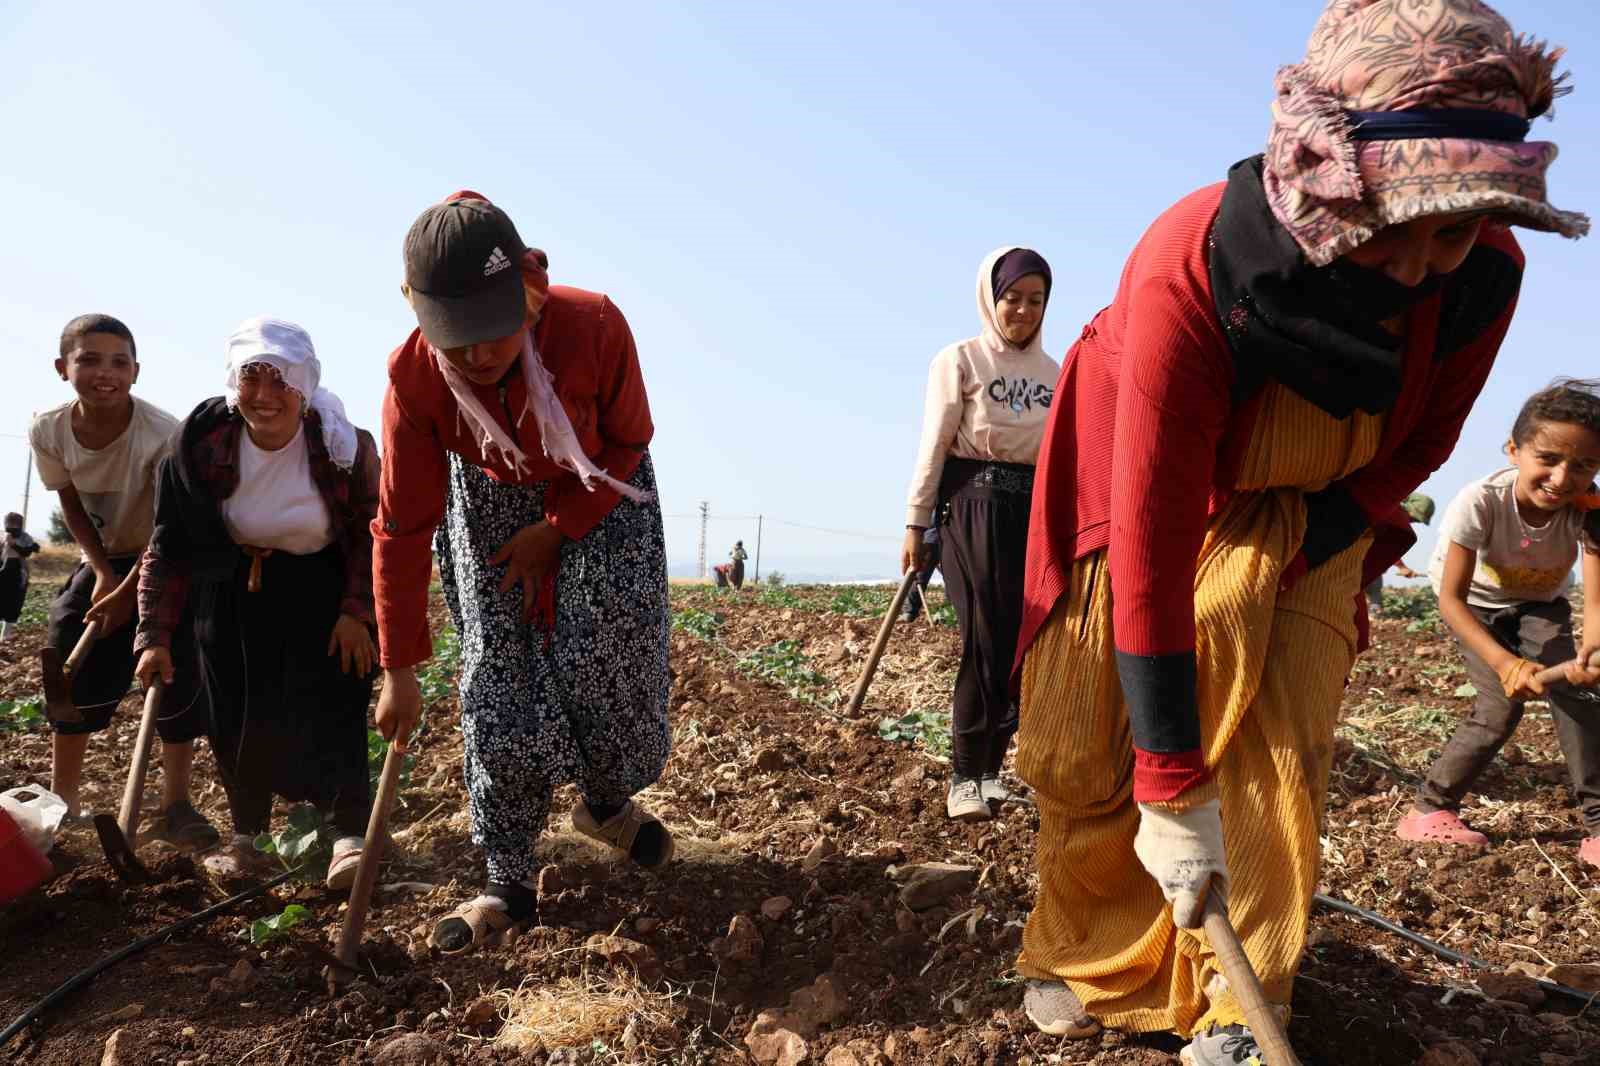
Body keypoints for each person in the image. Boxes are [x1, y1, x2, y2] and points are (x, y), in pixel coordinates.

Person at [1009, 2, 1586, 1060]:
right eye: (1390, 232)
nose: (1418, 268)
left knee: (1283, 737)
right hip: (1139, 480)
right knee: (1093, 733)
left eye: (1448, 231)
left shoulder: (1483, 273)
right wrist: (1171, 779)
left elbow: (1424, 436)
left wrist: (1333, 525)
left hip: (1324, 503)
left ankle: (1238, 1000)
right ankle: (1080, 956)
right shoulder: (1192, 268)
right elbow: (1149, 531)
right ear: (1327, 179)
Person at [372, 191, 671, 953]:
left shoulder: (594, 325)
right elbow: (403, 524)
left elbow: (629, 439)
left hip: (602, 488)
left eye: (491, 332)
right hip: (491, 500)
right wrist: (398, 666)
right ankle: (507, 877)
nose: (476, 356)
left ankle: (604, 804)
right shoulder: (413, 377)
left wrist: (559, 525)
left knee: (608, 656)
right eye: (455, 339)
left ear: (527, 295)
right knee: (496, 678)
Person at [134, 317, 380, 886]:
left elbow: (373, 533)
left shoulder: (343, 446)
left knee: (337, 699)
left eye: (282, 382)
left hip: (322, 582)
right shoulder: (198, 446)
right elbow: (169, 544)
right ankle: (247, 837)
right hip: (231, 580)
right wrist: (155, 635)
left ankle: (348, 834)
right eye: (252, 379)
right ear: (233, 381)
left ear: (306, 386)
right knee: (235, 710)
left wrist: (355, 612)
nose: (265, 397)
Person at [29, 313, 217, 846]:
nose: (103, 372)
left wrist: (132, 586)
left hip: (170, 558)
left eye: (118, 362)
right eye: (88, 359)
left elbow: (168, 524)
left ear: (136, 372)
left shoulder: (163, 435)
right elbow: (69, 499)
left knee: (175, 675)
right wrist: (104, 573)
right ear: (63, 367)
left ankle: (175, 803)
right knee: (70, 648)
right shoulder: (48, 429)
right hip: (106, 559)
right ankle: (64, 802)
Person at [1396, 380, 1600, 868]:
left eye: (1584, 465)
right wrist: (1504, 662)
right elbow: (1450, 599)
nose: (1562, 477)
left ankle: (1597, 824)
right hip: (1477, 607)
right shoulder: (1480, 501)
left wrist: (1591, 649)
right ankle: (1428, 809)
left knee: (1579, 695)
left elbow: (1595, 596)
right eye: (1548, 458)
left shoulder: (1590, 509)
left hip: (1541, 605)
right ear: (1514, 450)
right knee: (1498, 709)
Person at [902, 246, 1058, 821]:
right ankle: (964, 774)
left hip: (1030, 513)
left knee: (1019, 642)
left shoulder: (1053, 373)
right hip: (970, 506)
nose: (1022, 310)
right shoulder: (960, 360)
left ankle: (993, 770)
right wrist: (917, 521)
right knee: (985, 638)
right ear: (991, 299)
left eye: (1035, 300)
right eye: (1012, 298)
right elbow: (934, 442)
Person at [1364, 492, 1434, 612]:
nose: (1414, 522)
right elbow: (1386, 547)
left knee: (1374, 582)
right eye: (1415, 519)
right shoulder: (1393, 516)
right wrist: (1402, 567)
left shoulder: (1390, 513)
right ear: (1410, 509)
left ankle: (1374, 610)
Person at [0, 513, 40, 642]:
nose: (12, 526)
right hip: (2, 569)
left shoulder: (25, 537)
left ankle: (5, 635)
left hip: (17, 570)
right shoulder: (1, 535)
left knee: (14, 600)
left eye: (15, 523)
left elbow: (27, 552)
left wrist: (12, 544)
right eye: (9, 522)